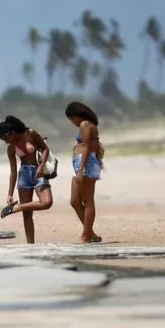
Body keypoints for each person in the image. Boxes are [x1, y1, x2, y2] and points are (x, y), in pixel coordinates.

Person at [0, 115, 54, 244]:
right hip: (24, 176)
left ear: (12, 132)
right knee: (27, 214)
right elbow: (13, 172)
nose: (6, 141)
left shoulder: (30, 133)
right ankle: (30, 244)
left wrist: (41, 165)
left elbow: (45, 148)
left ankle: (17, 207)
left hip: (39, 172)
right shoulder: (11, 148)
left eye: (6, 138)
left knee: (47, 202)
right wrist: (10, 193)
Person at [65, 101, 104, 244]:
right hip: (82, 163)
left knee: (87, 201)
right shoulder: (87, 125)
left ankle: (86, 235)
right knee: (74, 201)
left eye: (71, 118)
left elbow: (87, 147)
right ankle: (91, 233)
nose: (72, 122)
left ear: (76, 115)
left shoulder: (85, 124)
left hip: (85, 163)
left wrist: (81, 169)